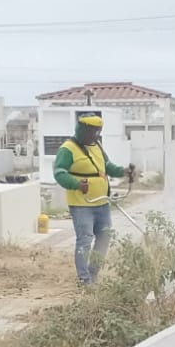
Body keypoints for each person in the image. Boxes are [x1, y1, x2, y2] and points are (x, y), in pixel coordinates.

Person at [53, 113, 134, 284]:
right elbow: (59, 173)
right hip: (82, 204)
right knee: (85, 240)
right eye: (92, 132)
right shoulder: (68, 149)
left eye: (98, 132)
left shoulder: (97, 145)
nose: (95, 135)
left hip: (102, 203)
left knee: (104, 238)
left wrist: (123, 171)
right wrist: (76, 184)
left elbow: (107, 166)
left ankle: (93, 274)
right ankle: (84, 280)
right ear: (83, 130)